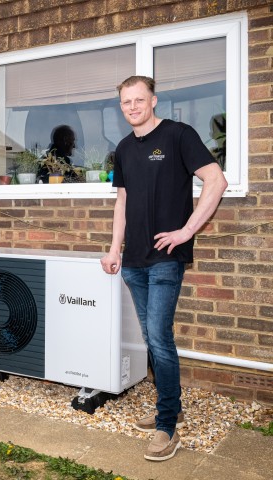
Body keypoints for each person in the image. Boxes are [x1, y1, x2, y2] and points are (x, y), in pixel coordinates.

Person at [100, 76, 227, 462]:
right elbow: (122, 203)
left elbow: (216, 180)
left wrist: (187, 231)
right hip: (133, 261)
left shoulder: (177, 135)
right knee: (152, 337)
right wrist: (113, 249)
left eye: (139, 100)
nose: (133, 107)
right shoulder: (122, 149)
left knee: (158, 336)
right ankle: (171, 406)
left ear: (153, 101)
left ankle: (166, 425)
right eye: (126, 102)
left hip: (166, 258)